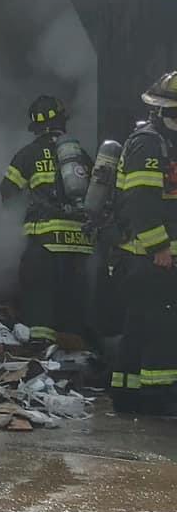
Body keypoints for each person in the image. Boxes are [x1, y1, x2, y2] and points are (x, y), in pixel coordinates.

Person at [0, 95, 93, 346]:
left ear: (36, 127)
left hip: (45, 242)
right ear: (63, 121)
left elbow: (7, 192)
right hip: (80, 244)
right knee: (73, 298)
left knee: (39, 297)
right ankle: (76, 351)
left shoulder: (28, 155)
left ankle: (42, 354)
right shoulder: (80, 156)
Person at [110, 72, 177, 414]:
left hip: (150, 259)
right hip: (148, 258)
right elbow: (141, 203)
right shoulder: (149, 144)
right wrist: (159, 248)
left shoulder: (165, 143)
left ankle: (127, 396)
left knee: (139, 326)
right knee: (161, 328)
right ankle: (157, 398)